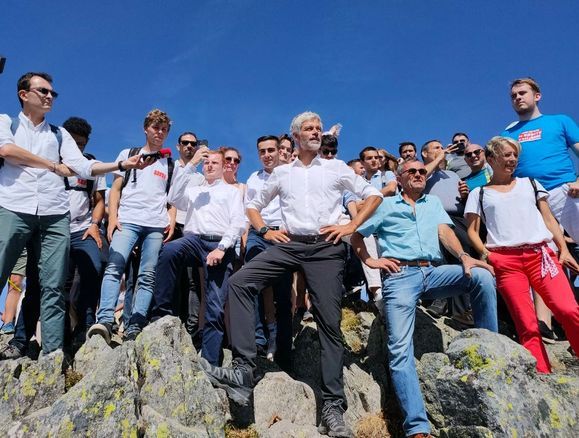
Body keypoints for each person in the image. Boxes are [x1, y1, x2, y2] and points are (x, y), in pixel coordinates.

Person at [200, 111, 382, 438]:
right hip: (290, 243)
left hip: (326, 247)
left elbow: (375, 195)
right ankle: (243, 370)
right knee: (241, 282)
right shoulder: (282, 173)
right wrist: (264, 230)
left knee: (329, 321)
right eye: (309, 129)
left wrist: (351, 226)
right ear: (296, 137)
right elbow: (252, 205)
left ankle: (332, 408)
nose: (316, 133)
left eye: (319, 129)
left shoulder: (337, 168)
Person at [0, 72, 149, 358]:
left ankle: (53, 355)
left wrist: (121, 163)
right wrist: (52, 165)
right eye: (43, 91)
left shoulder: (59, 134)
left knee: (53, 285)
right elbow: (7, 150)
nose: (49, 97)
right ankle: (17, 338)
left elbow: (83, 166)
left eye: (52, 94)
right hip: (13, 207)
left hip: (55, 215)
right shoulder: (7, 122)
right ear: (23, 94)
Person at [350, 159, 498, 438]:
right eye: (412, 172)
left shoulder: (432, 203)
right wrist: (372, 261)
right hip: (400, 277)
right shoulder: (386, 205)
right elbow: (357, 235)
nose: (419, 175)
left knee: (482, 277)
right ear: (400, 177)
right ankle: (417, 428)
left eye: (421, 171)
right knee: (399, 349)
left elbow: (445, 232)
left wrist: (465, 257)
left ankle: (492, 353)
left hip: (434, 271)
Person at [465, 136, 579, 373]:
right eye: (507, 155)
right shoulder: (479, 193)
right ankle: (542, 375)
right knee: (526, 324)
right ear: (492, 158)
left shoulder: (531, 183)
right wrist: (487, 253)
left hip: (541, 255)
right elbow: (472, 231)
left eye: (515, 155)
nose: (513, 159)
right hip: (505, 262)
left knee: (568, 309)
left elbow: (549, 219)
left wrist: (564, 249)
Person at [87, 109, 175, 344]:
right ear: (146, 128)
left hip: (156, 225)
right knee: (115, 267)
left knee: (147, 275)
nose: (160, 132)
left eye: (164, 129)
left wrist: (172, 220)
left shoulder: (170, 164)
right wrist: (112, 218)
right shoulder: (129, 154)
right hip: (128, 220)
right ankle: (105, 319)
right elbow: (115, 189)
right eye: (156, 127)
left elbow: (172, 198)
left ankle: (136, 322)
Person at [502, 77, 579, 341]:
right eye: (513, 95)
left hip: (566, 191)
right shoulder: (508, 133)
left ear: (538, 95)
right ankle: (544, 323)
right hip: (532, 198)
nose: (517, 98)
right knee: (543, 257)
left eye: (522, 93)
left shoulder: (559, 121)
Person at [152, 150, 245, 365]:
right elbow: (173, 197)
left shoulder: (231, 192)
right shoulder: (195, 191)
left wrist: (221, 248)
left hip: (219, 243)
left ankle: (210, 361)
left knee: (214, 303)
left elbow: (238, 223)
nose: (210, 166)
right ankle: (161, 314)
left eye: (215, 163)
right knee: (169, 251)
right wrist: (190, 165)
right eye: (207, 162)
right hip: (194, 241)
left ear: (223, 167)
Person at [244, 135, 293, 368]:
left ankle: (283, 347)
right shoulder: (254, 177)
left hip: (283, 235)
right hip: (258, 233)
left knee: (282, 291)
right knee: (251, 285)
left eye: (271, 150)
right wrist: (248, 237)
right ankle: (258, 341)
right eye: (262, 151)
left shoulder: (291, 173)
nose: (267, 155)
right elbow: (249, 210)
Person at [61, 116, 107, 346]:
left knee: (94, 268)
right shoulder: (52, 163)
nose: (78, 148)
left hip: (83, 229)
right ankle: (61, 332)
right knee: (61, 280)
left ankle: (86, 324)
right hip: (56, 229)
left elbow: (100, 200)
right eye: (74, 143)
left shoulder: (92, 166)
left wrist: (95, 224)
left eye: (82, 144)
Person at [421, 140, 474, 325]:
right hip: (434, 218)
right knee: (441, 257)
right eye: (436, 148)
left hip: (459, 219)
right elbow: (421, 178)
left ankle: (462, 310)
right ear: (425, 154)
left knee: (463, 257)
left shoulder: (452, 174)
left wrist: (466, 195)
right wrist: (439, 159)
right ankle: (440, 299)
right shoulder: (420, 171)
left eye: (441, 147)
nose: (441, 149)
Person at [172, 132, 209, 345]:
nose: (190, 147)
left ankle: (192, 326)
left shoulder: (204, 174)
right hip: (172, 225)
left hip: (193, 229)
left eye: (193, 144)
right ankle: (171, 320)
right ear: (178, 146)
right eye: (185, 143)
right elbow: (172, 197)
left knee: (194, 281)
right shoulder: (172, 167)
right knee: (173, 278)